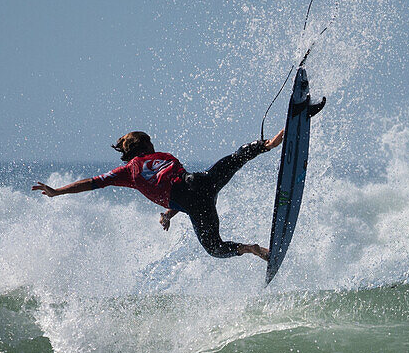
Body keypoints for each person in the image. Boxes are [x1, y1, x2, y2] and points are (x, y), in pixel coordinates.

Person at [31, 107, 323, 260]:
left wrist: (57, 192)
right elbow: (177, 186)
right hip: (203, 184)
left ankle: (252, 249)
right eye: (149, 139)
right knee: (235, 158)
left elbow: (93, 183)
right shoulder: (161, 155)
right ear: (145, 144)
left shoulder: (127, 171)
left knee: (215, 248)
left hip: (195, 201)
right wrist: (170, 212)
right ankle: (272, 141)